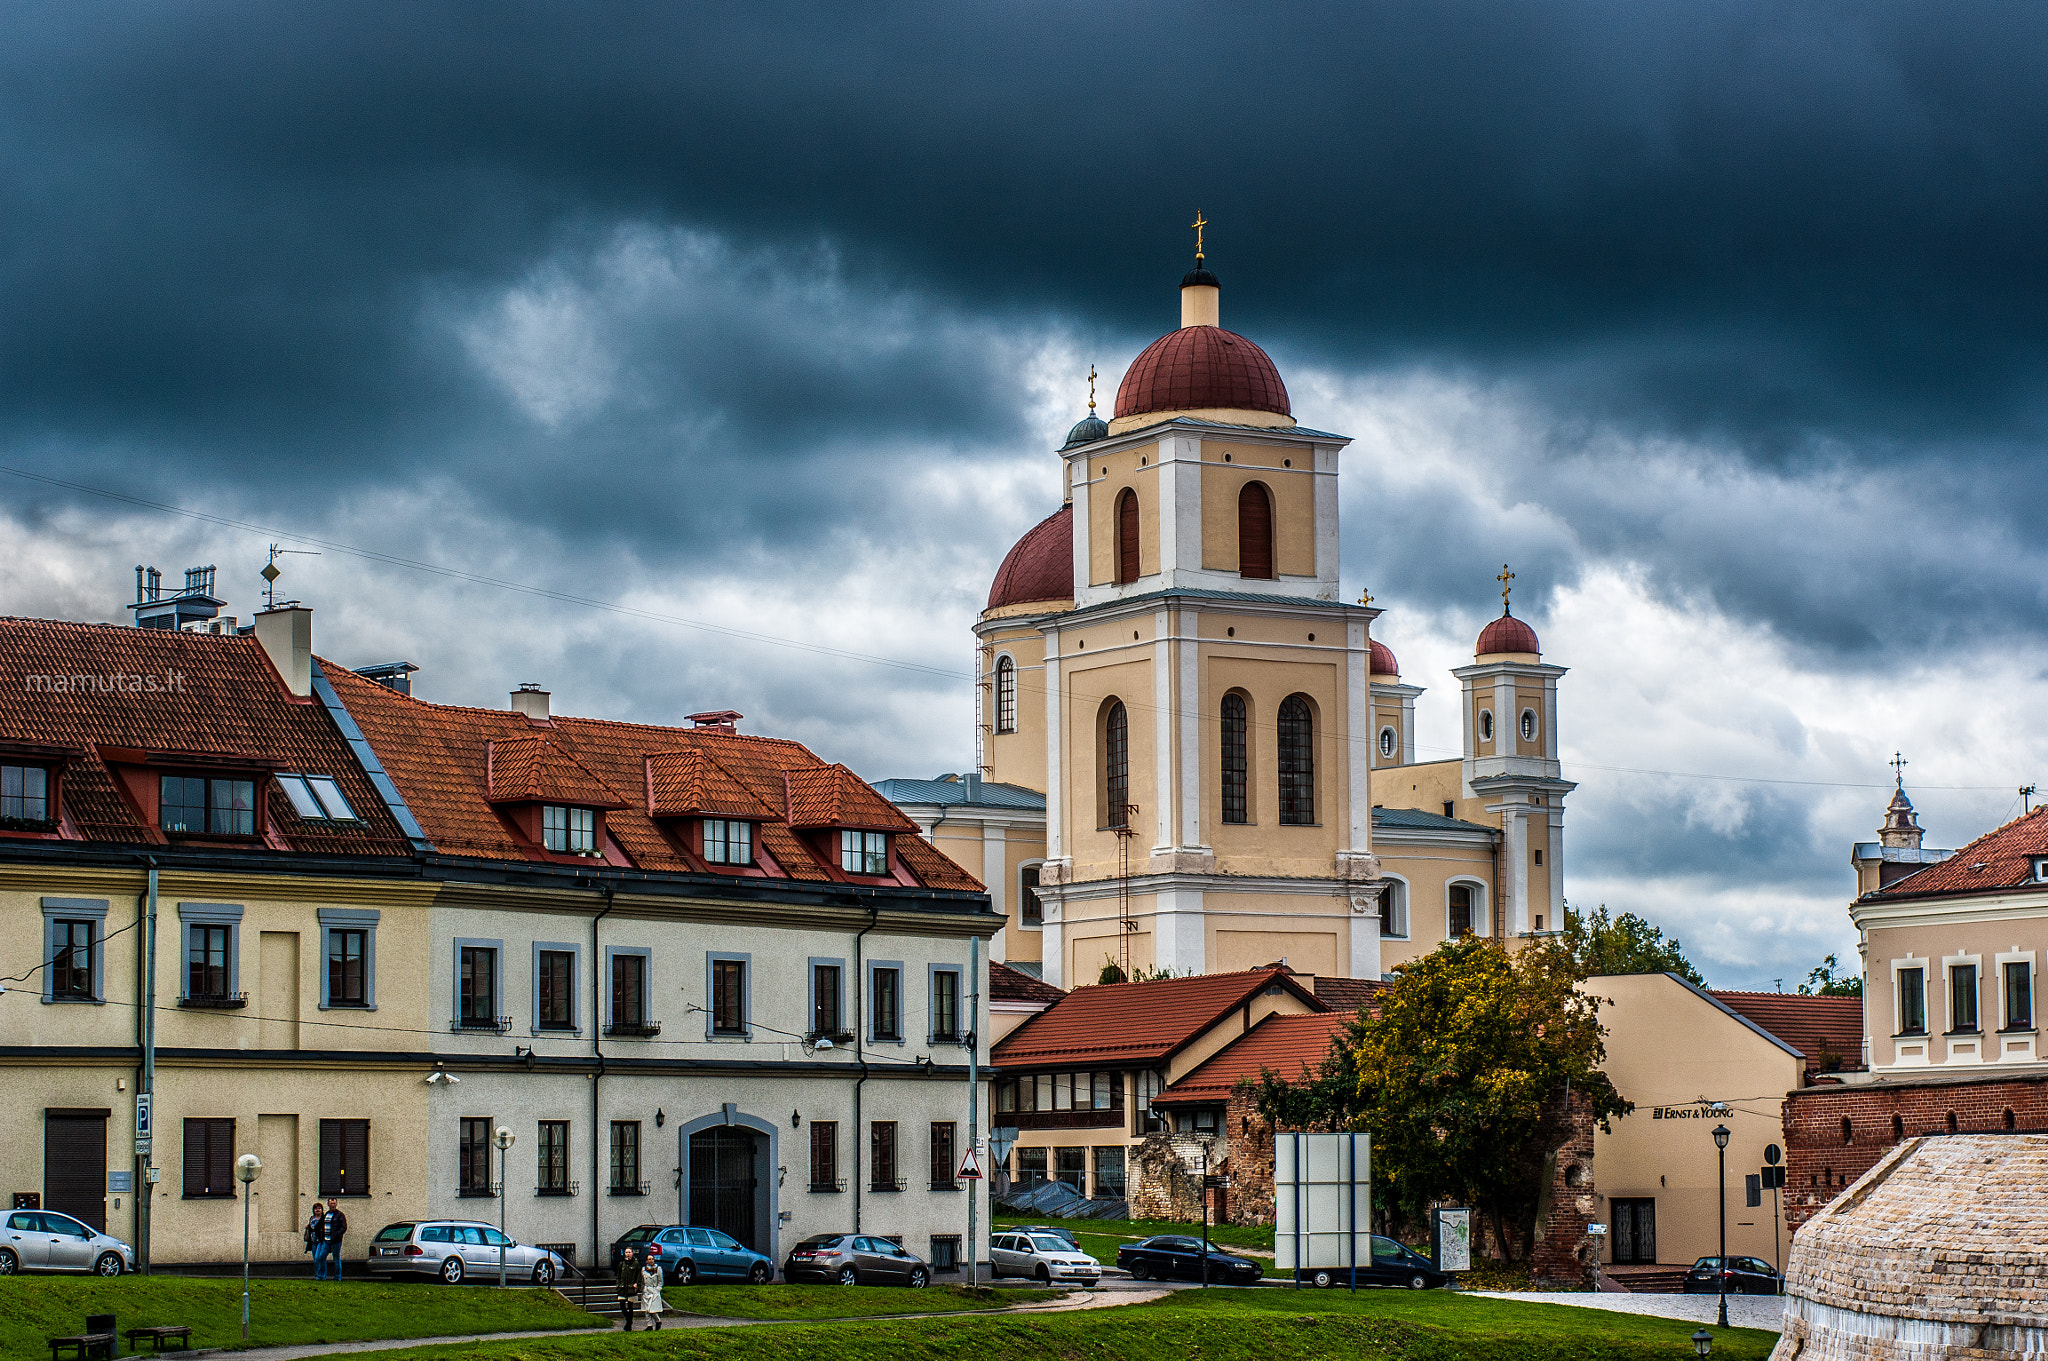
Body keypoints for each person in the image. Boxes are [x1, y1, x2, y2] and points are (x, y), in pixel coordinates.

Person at [319, 1198, 349, 1281]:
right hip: (326, 1240)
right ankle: (322, 1276)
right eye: (331, 1203)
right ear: (328, 1204)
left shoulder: (340, 1215)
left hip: (335, 1240)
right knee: (321, 1257)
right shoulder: (327, 1214)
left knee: (336, 1258)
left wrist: (337, 1235)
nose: (333, 1205)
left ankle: (337, 1277)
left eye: (334, 1203)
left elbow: (344, 1227)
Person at [615, 1247, 642, 1331]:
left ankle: (629, 1324)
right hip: (622, 1289)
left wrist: (637, 1285)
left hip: (631, 1289)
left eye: (629, 1252)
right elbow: (618, 1276)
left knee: (630, 1306)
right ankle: (629, 1320)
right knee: (622, 1305)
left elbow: (639, 1276)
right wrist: (618, 1285)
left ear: (632, 1253)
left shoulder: (636, 1264)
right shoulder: (622, 1264)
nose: (628, 1254)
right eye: (626, 1252)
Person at [639, 1254, 666, 1329]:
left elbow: (660, 1281)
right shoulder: (643, 1269)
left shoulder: (658, 1269)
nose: (651, 1261)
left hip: (654, 1291)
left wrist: (657, 1289)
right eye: (649, 1259)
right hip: (646, 1290)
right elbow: (642, 1280)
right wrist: (643, 1289)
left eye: (652, 1259)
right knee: (646, 1309)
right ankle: (649, 1325)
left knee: (652, 1309)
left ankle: (658, 1321)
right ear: (646, 1261)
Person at [303, 1204, 325, 1277]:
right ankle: (318, 1275)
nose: (318, 1210)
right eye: (316, 1208)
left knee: (318, 1258)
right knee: (315, 1259)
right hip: (313, 1241)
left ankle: (321, 1275)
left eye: (319, 1208)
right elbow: (311, 1227)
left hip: (320, 1241)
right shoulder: (312, 1218)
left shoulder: (323, 1219)